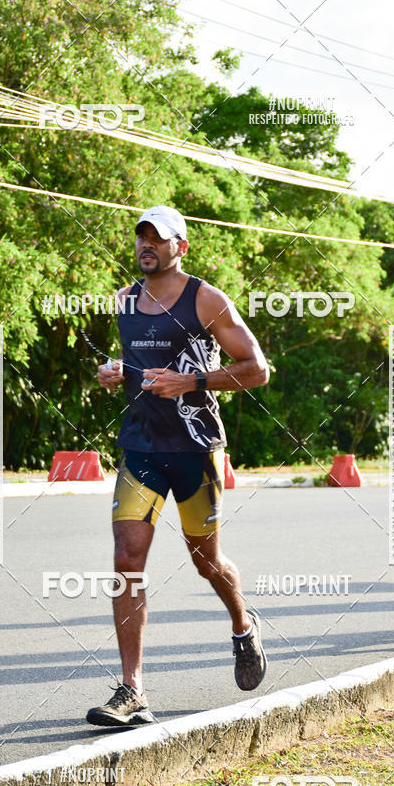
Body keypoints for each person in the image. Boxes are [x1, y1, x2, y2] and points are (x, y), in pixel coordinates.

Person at [86, 205, 270, 726]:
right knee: (127, 558)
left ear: (179, 247)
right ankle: (132, 690)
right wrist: (116, 372)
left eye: (157, 239)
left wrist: (190, 383)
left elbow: (256, 370)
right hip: (141, 447)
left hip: (196, 448)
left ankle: (242, 625)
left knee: (205, 559)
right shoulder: (124, 300)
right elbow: (139, 366)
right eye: (141, 237)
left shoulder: (205, 299)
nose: (146, 246)